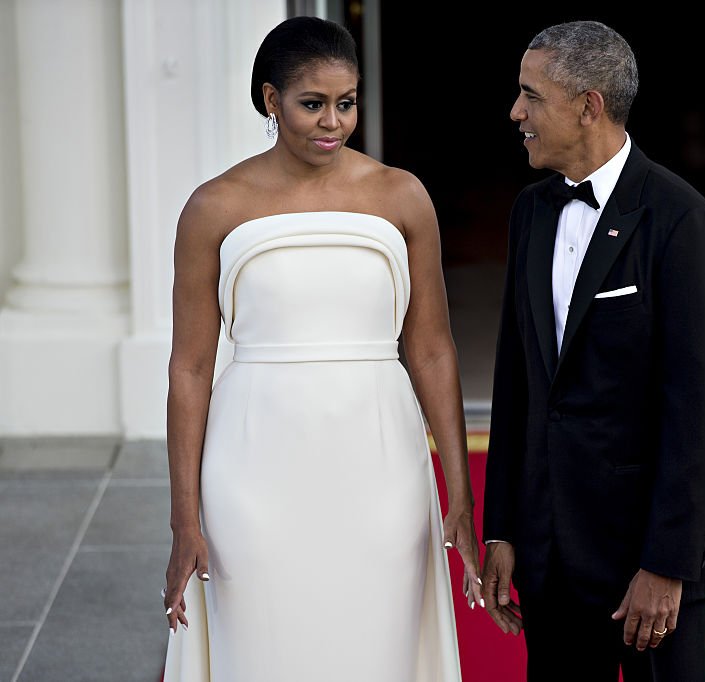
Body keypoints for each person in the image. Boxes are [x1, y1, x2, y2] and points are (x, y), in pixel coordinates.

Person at [161, 16, 479, 681]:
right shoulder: (214, 207)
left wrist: (460, 493)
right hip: (253, 470)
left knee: (376, 647)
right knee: (265, 647)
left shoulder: (401, 197)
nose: (332, 122)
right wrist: (183, 518)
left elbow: (432, 351)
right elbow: (190, 368)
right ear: (272, 101)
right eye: (313, 104)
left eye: (346, 103)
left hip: (382, 465)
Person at [481, 20, 705, 681]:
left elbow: (701, 412)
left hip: (648, 568)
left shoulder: (687, 224)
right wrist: (503, 528)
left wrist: (666, 564)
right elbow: (517, 383)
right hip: (552, 558)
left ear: (588, 105)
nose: (516, 113)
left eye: (531, 96)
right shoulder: (530, 213)